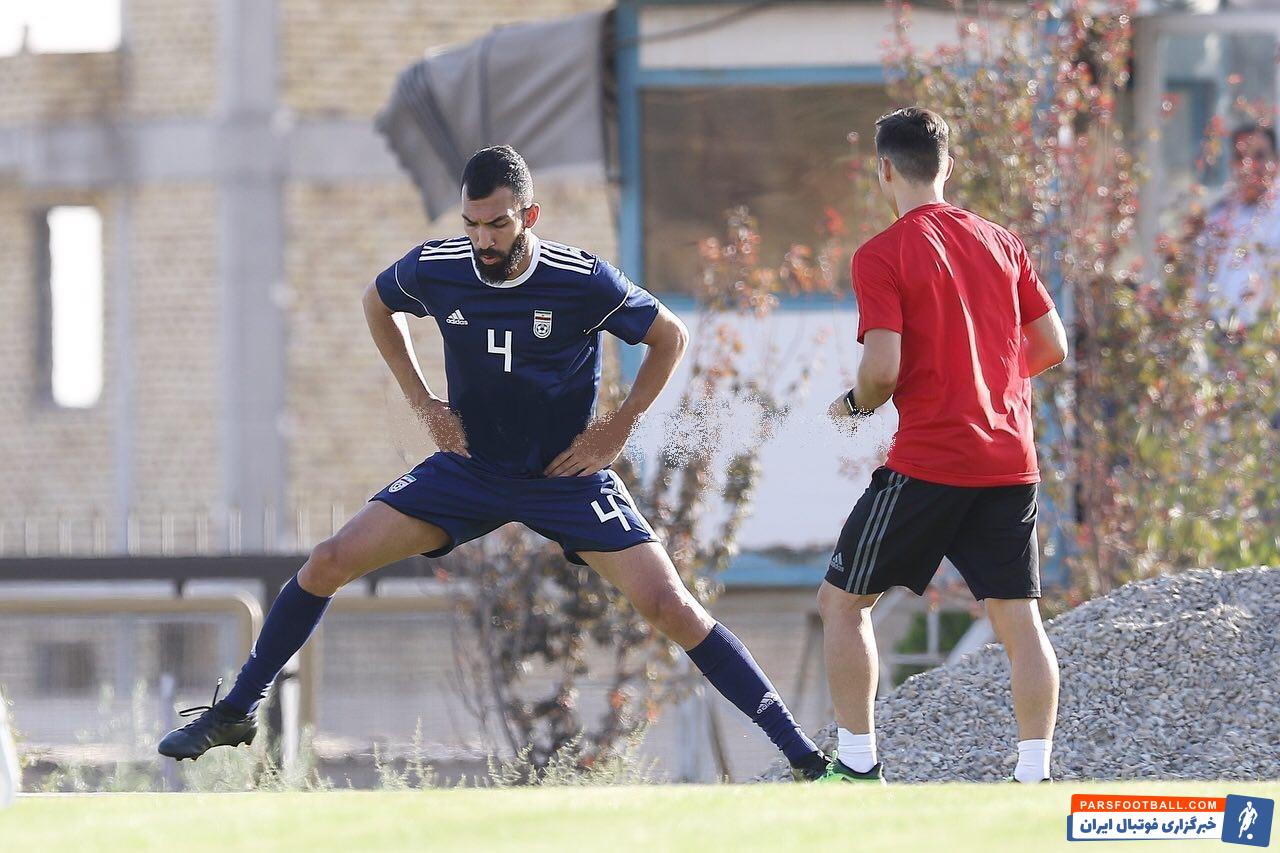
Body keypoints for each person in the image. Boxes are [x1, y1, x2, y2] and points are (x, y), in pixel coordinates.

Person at [159, 145, 827, 781]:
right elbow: (377, 303)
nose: (484, 240)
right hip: (471, 470)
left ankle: (801, 753)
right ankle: (239, 707)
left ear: (528, 215)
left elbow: (668, 336)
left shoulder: (580, 278)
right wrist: (424, 403)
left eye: (498, 223)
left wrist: (616, 429)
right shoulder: (438, 266)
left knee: (668, 602)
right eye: (473, 224)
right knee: (329, 559)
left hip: (563, 477)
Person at [818, 108, 1068, 784]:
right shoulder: (1002, 241)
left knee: (842, 604)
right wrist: (985, 378)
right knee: (1021, 621)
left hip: (930, 461)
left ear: (885, 169)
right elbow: (1052, 346)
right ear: (947, 167)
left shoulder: (881, 253)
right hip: (1011, 460)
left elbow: (882, 370)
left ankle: (858, 763)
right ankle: (1035, 772)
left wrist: (854, 406)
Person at [1194, 123, 1280, 327]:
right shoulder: (1218, 218)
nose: (1249, 165)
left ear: (1275, 162)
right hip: (1223, 339)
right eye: (1241, 157)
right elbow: (1201, 283)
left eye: (1259, 156)